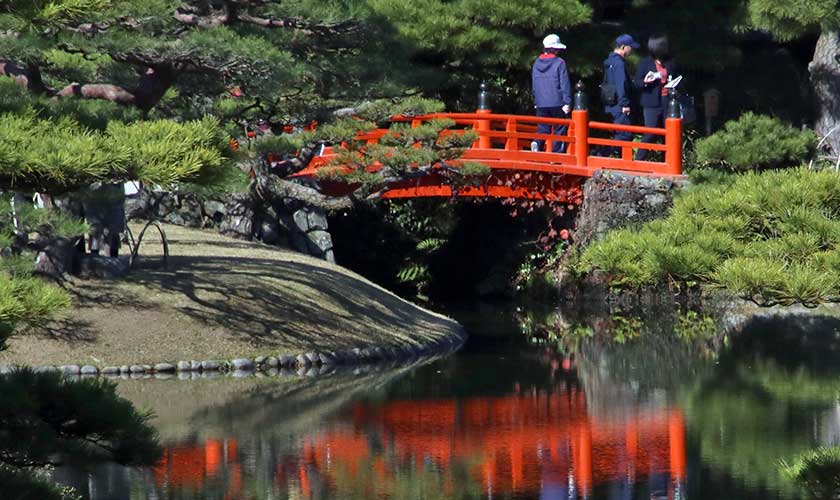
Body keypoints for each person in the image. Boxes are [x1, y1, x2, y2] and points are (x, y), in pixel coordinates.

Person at [633, 34, 680, 160]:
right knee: (650, 132)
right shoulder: (645, 62)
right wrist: (645, 81)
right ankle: (638, 160)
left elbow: (678, 76)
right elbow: (636, 83)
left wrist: (675, 84)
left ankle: (667, 161)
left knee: (669, 133)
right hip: (651, 102)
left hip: (667, 100)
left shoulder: (670, 62)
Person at [531, 34, 572, 153]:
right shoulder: (559, 63)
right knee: (560, 128)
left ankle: (537, 143)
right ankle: (556, 154)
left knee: (543, 127)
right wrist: (567, 101)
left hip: (541, 101)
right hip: (557, 101)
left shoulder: (536, 63)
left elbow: (535, 84)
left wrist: (536, 100)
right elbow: (564, 84)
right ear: (554, 49)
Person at [602, 34, 639, 157]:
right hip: (619, 104)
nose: (631, 50)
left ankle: (606, 155)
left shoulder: (609, 62)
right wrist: (625, 103)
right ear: (623, 47)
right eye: (630, 47)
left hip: (610, 101)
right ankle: (606, 156)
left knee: (618, 133)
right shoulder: (619, 64)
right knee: (624, 134)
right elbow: (621, 84)